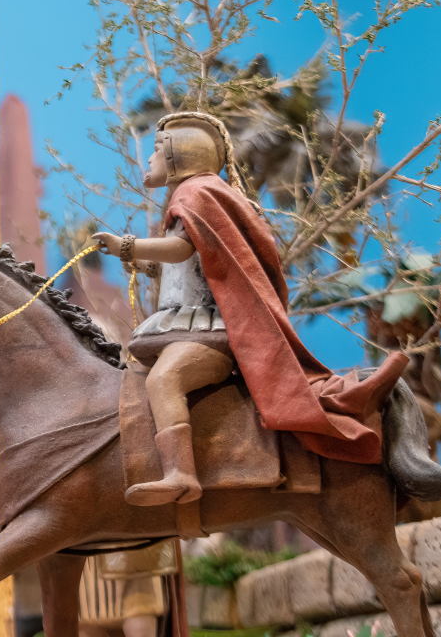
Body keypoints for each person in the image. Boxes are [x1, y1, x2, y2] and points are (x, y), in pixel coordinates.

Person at [92, 112, 408, 507]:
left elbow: (182, 249)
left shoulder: (197, 194)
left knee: (164, 380)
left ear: (178, 154)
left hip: (207, 332)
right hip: (184, 324)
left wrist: (127, 245)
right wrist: (144, 265)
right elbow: (189, 265)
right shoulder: (190, 198)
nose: (150, 159)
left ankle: (181, 475)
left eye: (157, 150)